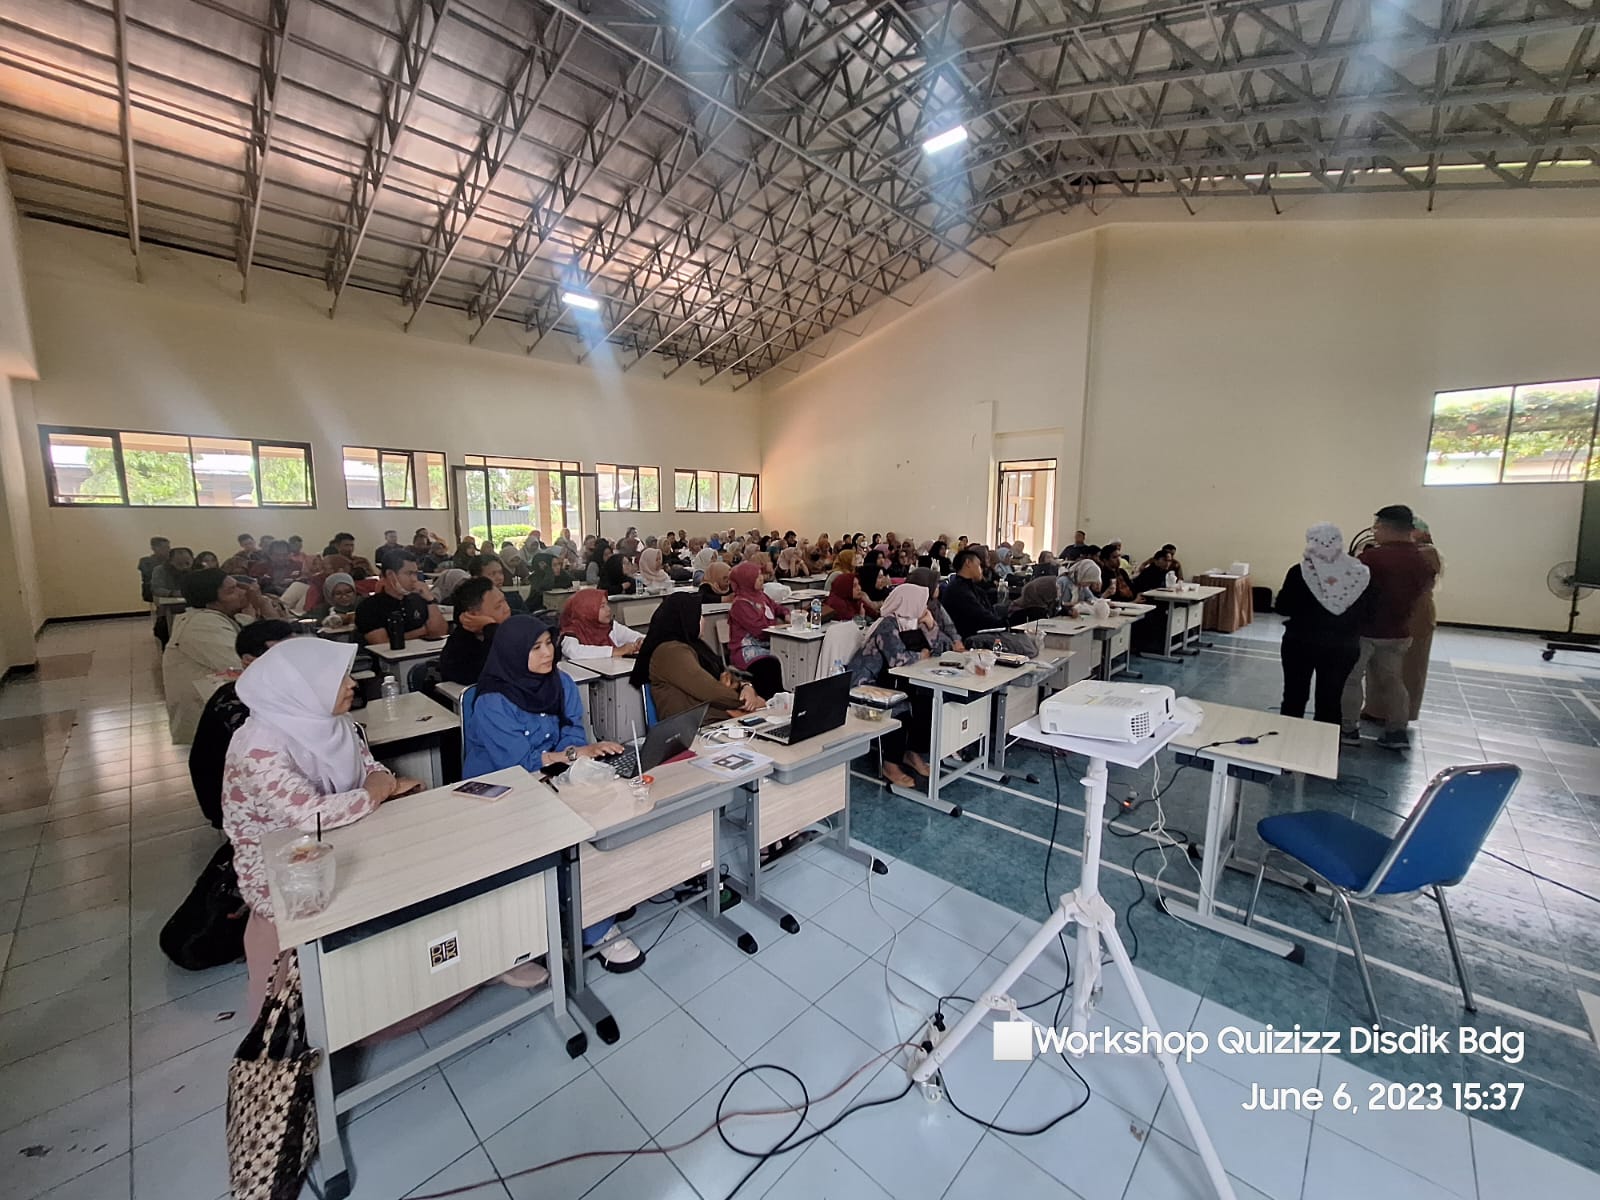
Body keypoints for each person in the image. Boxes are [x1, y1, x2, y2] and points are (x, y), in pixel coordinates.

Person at [223, 638, 426, 1013]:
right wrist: (373, 794)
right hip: (285, 865)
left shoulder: (336, 723)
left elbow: (372, 769)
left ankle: (421, 981)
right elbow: (308, 815)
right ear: (300, 689)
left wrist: (381, 784)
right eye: (339, 679)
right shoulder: (257, 746)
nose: (353, 684)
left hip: (345, 833)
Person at [462, 616, 643, 972]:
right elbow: (517, 763)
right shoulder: (491, 701)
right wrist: (572, 758)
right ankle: (596, 928)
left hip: (552, 774)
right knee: (568, 834)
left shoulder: (560, 682)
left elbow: (573, 730)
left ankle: (605, 894)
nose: (548, 653)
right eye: (536, 647)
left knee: (614, 805)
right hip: (500, 791)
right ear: (514, 653)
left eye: (549, 643)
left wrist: (570, 758)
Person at [1341, 505, 1438, 750]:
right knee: (1394, 681)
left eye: (1376, 527)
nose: (1374, 532)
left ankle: (1348, 729)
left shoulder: (1372, 558)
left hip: (1364, 630)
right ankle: (1396, 732)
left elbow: (1349, 587)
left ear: (1385, 527)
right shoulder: (1422, 560)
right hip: (1398, 631)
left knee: (1350, 679)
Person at [845, 583, 955, 786]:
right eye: (922, 602)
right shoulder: (888, 624)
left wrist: (931, 627)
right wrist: (922, 654)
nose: (926, 606)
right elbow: (899, 660)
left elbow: (939, 650)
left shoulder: (910, 623)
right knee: (900, 707)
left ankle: (910, 752)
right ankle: (890, 764)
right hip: (866, 685)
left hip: (894, 680)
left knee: (925, 701)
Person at [190, 619, 296, 828]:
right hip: (233, 803)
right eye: (282, 655)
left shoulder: (270, 688)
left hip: (257, 788)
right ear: (249, 661)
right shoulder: (236, 703)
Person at [163, 569, 283, 743]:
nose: (243, 593)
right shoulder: (202, 624)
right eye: (231, 591)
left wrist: (262, 606)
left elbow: (281, 635)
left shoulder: (217, 617)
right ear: (211, 601)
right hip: (209, 715)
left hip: (222, 705)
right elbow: (243, 665)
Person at [1276, 524, 1371, 724]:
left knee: (1294, 696)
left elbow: (1283, 606)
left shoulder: (1299, 571)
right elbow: (1370, 611)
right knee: (1331, 699)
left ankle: (1286, 742)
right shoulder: (1360, 573)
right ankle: (1325, 749)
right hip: (1343, 645)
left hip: (1300, 643)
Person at [631, 593, 761, 723]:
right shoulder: (670, 652)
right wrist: (744, 700)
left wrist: (746, 687)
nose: (704, 620)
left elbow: (725, 674)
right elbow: (709, 690)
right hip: (694, 727)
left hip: (714, 717)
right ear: (686, 619)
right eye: (699, 616)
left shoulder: (695, 646)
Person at [1363, 520, 1441, 723]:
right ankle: (1375, 709)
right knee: (1378, 667)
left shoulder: (1426, 553)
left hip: (1415, 615)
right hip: (1388, 615)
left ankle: (1400, 716)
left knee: (1408, 668)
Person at [355, 548, 448, 646]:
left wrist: (430, 600)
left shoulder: (419, 599)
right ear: (390, 575)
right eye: (409, 573)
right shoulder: (369, 606)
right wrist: (423, 631)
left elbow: (439, 633)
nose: (414, 579)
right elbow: (383, 643)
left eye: (415, 573)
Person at [726, 561, 786, 698]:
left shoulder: (761, 596)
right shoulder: (740, 604)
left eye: (760, 575)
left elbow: (777, 608)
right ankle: (770, 699)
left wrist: (786, 614)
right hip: (746, 649)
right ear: (746, 580)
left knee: (787, 656)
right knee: (769, 664)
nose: (761, 578)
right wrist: (779, 627)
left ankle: (783, 696)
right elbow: (760, 630)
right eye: (756, 576)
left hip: (768, 644)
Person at [439, 575, 512, 684]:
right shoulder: (458, 645)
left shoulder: (516, 627)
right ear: (472, 615)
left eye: (504, 601)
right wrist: (490, 628)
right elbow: (488, 676)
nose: (507, 609)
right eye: (498, 606)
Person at [559, 588, 644, 659]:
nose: (608, 609)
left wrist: (640, 641)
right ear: (588, 610)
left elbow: (638, 637)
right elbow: (573, 651)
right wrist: (615, 651)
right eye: (602, 606)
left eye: (607, 604)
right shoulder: (571, 631)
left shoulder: (610, 626)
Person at [942, 550, 1006, 640]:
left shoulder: (972, 588)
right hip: (972, 638)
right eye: (979, 564)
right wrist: (1006, 624)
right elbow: (980, 617)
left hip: (984, 632)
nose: (981, 569)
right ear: (968, 563)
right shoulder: (958, 590)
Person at [907, 566, 962, 649]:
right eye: (935, 584)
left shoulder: (935, 604)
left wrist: (956, 641)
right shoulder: (915, 609)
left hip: (947, 646)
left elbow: (949, 626)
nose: (938, 586)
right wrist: (951, 645)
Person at [139, 536, 171, 603]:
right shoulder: (146, 562)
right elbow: (150, 576)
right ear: (154, 548)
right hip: (152, 592)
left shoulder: (171, 561)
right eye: (164, 548)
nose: (168, 550)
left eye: (168, 547)